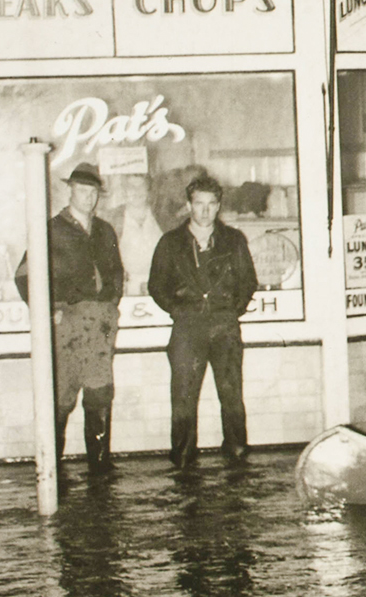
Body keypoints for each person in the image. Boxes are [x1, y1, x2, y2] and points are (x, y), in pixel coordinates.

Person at [14, 161, 124, 468]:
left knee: (99, 396)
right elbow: (24, 276)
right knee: (60, 400)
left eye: (94, 192)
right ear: (70, 191)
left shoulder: (104, 231)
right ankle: (53, 475)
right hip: (66, 329)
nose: (89, 198)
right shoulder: (51, 230)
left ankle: (99, 477)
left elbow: (116, 273)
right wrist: (49, 311)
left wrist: (110, 306)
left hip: (98, 330)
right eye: (83, 191)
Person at [147, 174, 258, 466]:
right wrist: (179, 310)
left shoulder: (233, 241)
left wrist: (231, 310)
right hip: (187, 329)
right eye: (199, 204)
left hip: (225, 328)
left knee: (232, 395)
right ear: (188, 205)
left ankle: (237, 456)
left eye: (211, 204)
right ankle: (182, 460)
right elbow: (156, 286)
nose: (205, 211)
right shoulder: (170, 243)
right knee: (183, 398)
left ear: (219, 206)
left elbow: (248, 282)